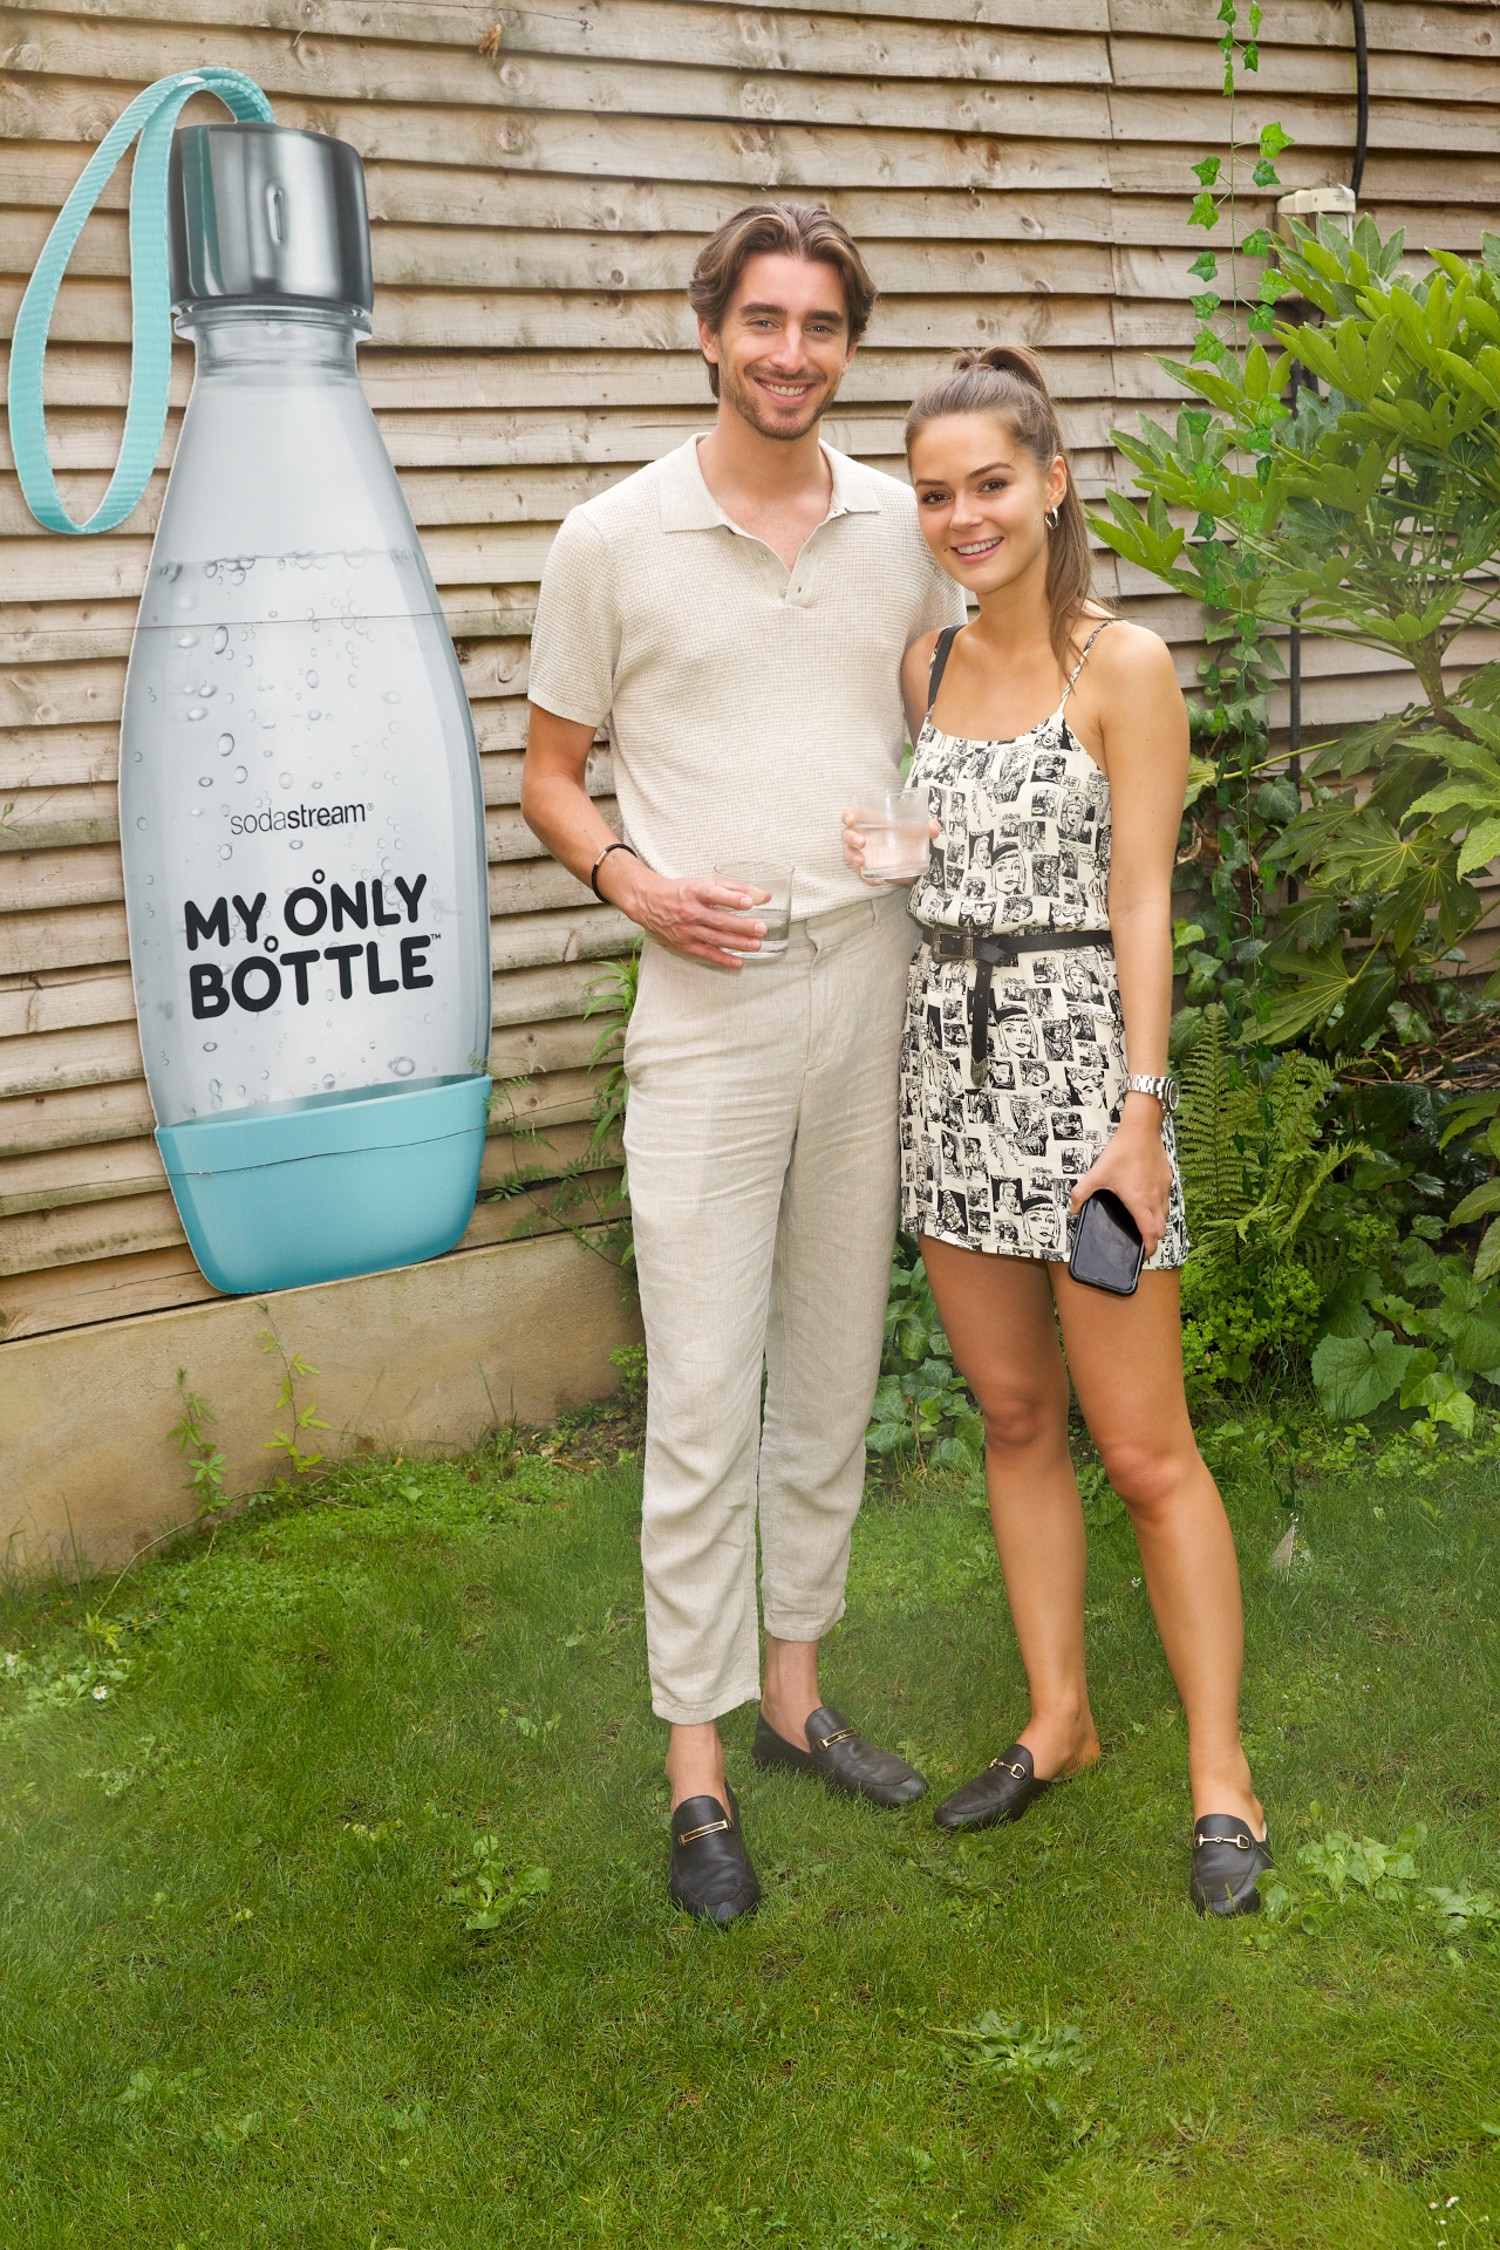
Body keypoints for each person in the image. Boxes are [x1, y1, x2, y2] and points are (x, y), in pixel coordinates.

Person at [521, 204, 965, 1926]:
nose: (792, 353)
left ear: (848, 345)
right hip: (706, 1010)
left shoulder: (901, 527)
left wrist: (920, 834)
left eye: (822, 326)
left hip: (871, 977)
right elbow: (552, 774)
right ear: (707, 329)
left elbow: (958, 715)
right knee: (704, 1388)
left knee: (832, 1363)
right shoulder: (611, 540)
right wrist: (632, 879)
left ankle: (795, 1694)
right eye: (764, 320)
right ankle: (696, 1768)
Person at [842, 344, 1270, 1917]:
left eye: (990, 484)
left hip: (1086, 1086)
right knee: (1015, 1417)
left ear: (1054, 480)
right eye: (934, 493)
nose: (963, 516)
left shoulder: (1123, 667)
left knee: (1146, 1448)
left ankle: (1221, 1775)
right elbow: (956, 851)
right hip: (951, 1086)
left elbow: (1141, 899)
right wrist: (905, 858)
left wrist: (1140, 1120)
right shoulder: (925, 669)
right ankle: (1060, 1718)